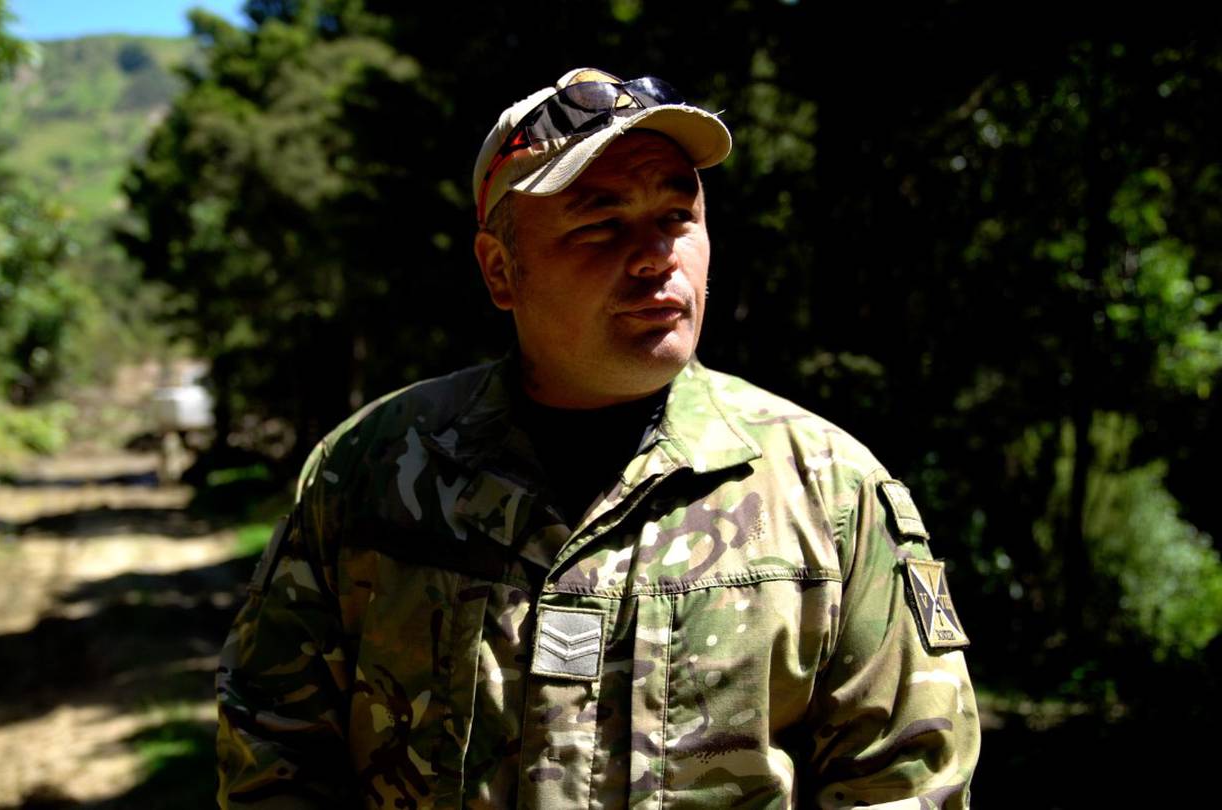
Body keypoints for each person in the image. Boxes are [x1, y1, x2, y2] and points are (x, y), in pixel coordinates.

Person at [215, 67, 980, 809]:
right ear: (500, 271)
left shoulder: (828, 490)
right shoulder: (372, 474)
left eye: (677, 217)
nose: (656, 257)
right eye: (601, 223)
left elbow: (906, 781)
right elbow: (273, 750)